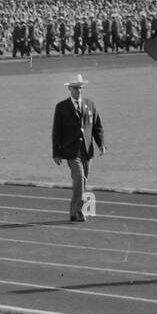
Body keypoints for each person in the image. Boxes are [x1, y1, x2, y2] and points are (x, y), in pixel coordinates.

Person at [51, 74, 106, 223]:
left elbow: (97, 126)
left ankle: (75, 212)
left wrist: (100, 143)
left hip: (87, 151)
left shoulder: (90, 104)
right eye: (75, 88)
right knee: (79, 179)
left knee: (84, 182)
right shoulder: (61, 107)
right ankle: (77, 212)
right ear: (69, 89)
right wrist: (56, 153)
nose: (78, 91)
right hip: (71, 151)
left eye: (80, 88)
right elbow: (57, 131)